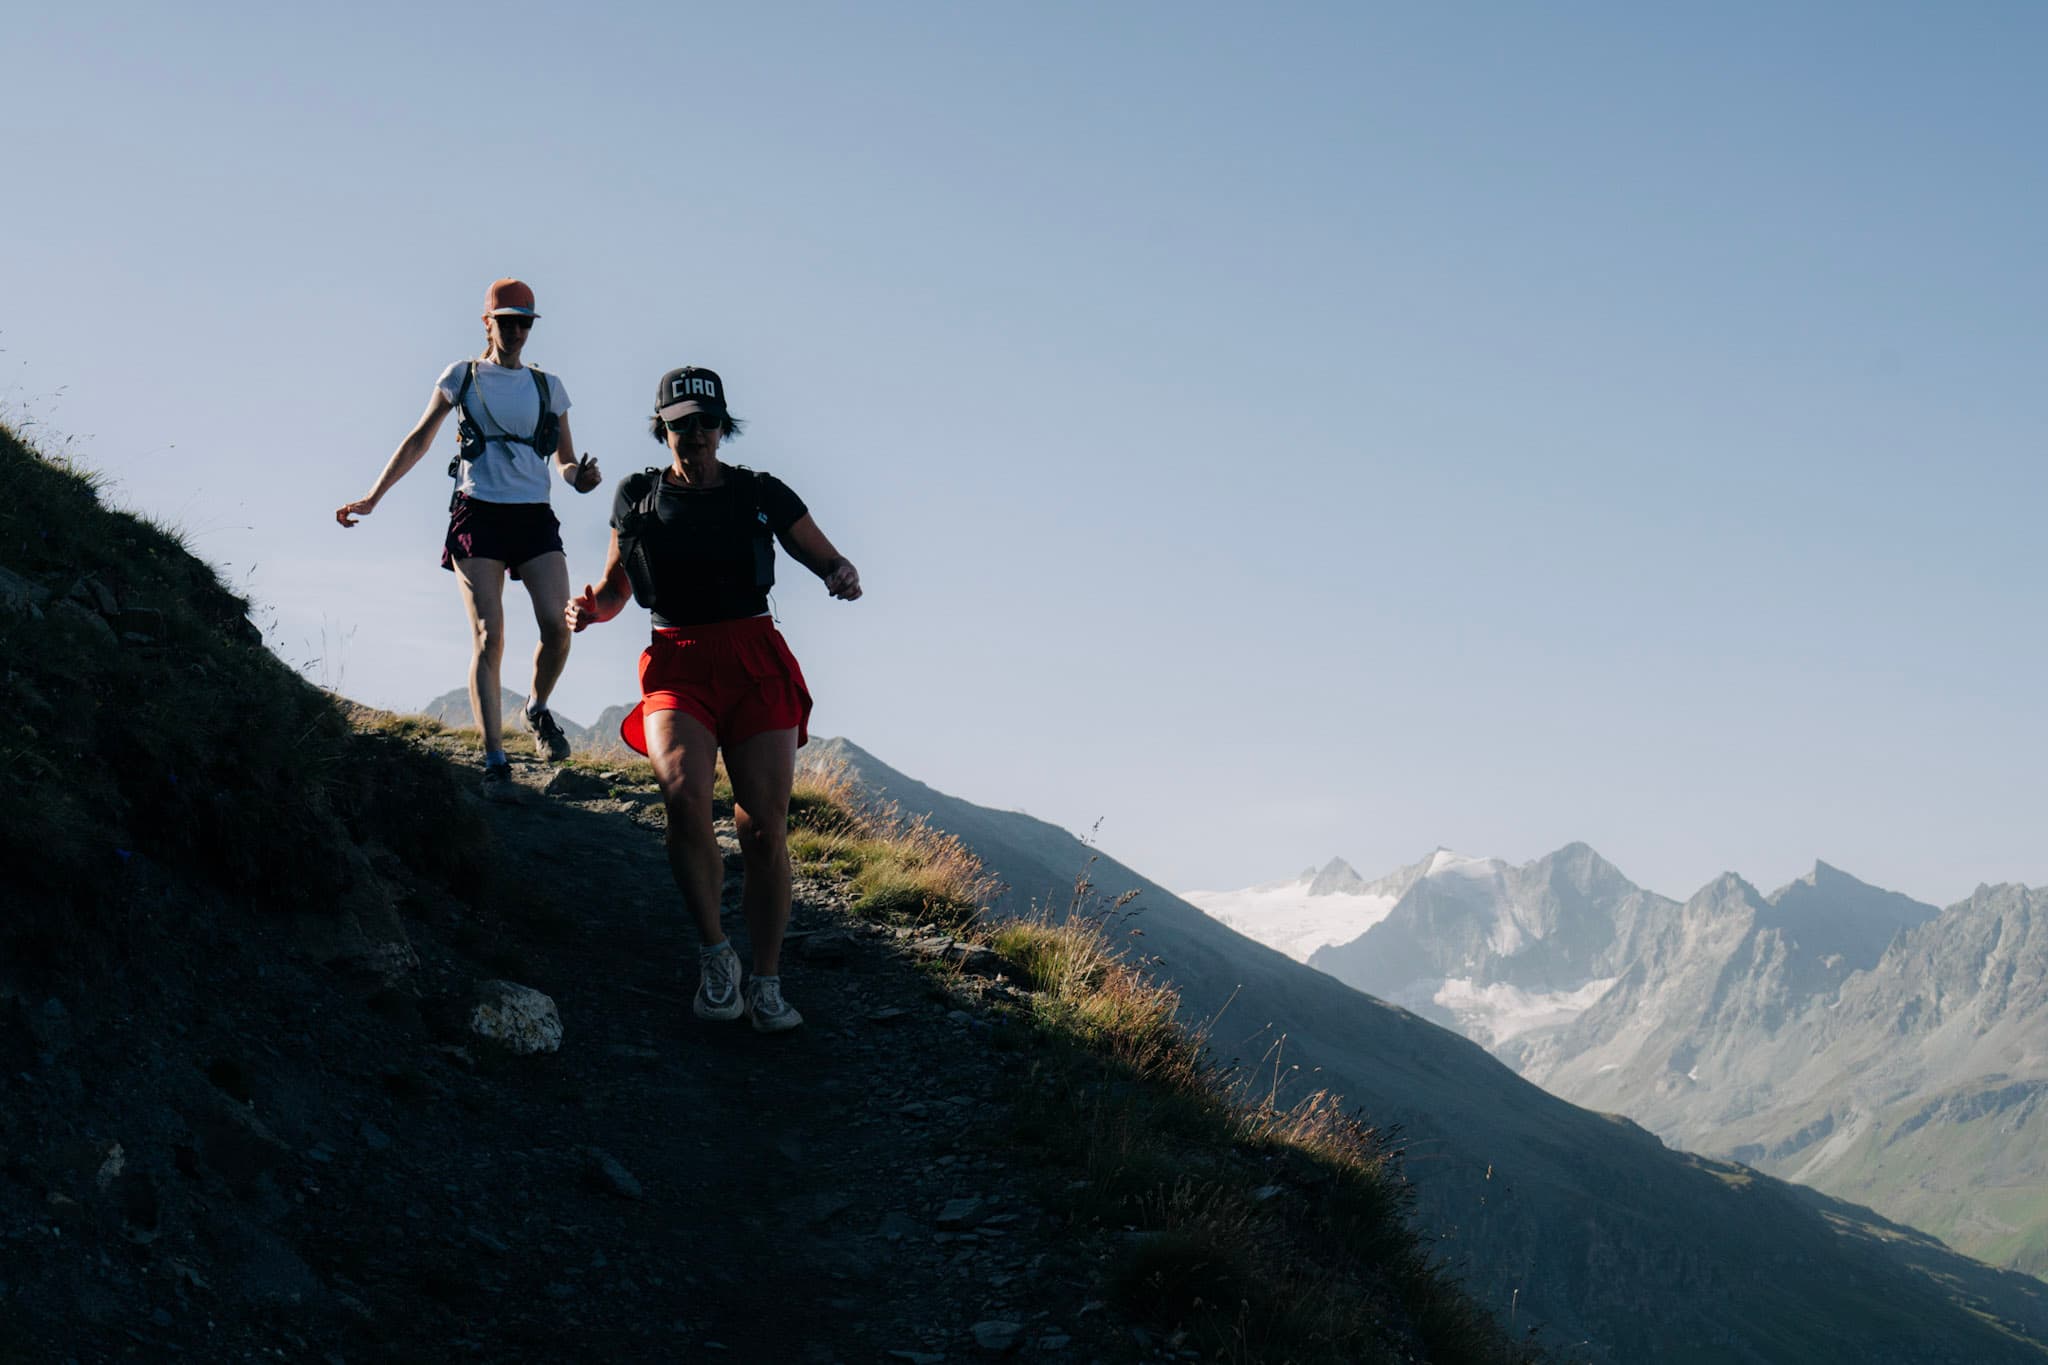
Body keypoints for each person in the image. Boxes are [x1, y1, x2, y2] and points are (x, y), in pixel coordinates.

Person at [566, 365, 860, 1032]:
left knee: (764, 830)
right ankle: (715, 954)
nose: (694, 435)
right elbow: (614, 589)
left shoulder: (760, 492)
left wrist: (841, 573)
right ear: (662, 429)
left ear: (723, 426)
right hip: (677, 662)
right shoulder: (638, 496)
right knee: (683, 796)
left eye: (705, 423)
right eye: (680, 425)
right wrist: (589, 610)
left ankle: (767, 981)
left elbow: (825, 556)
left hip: (755, 659)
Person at [336, 279, 602, 795]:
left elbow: (565, 461)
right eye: (507, 322)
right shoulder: (462, 376)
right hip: (477, 513)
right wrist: (372, 497)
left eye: (524, 323)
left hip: (533, 515)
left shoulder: (549, 387)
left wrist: (581, 479)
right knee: (489, 634)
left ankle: (537, 709)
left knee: (558, 627)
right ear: (487, 324)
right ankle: (495, 761)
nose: (516, 331)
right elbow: (420, 438)